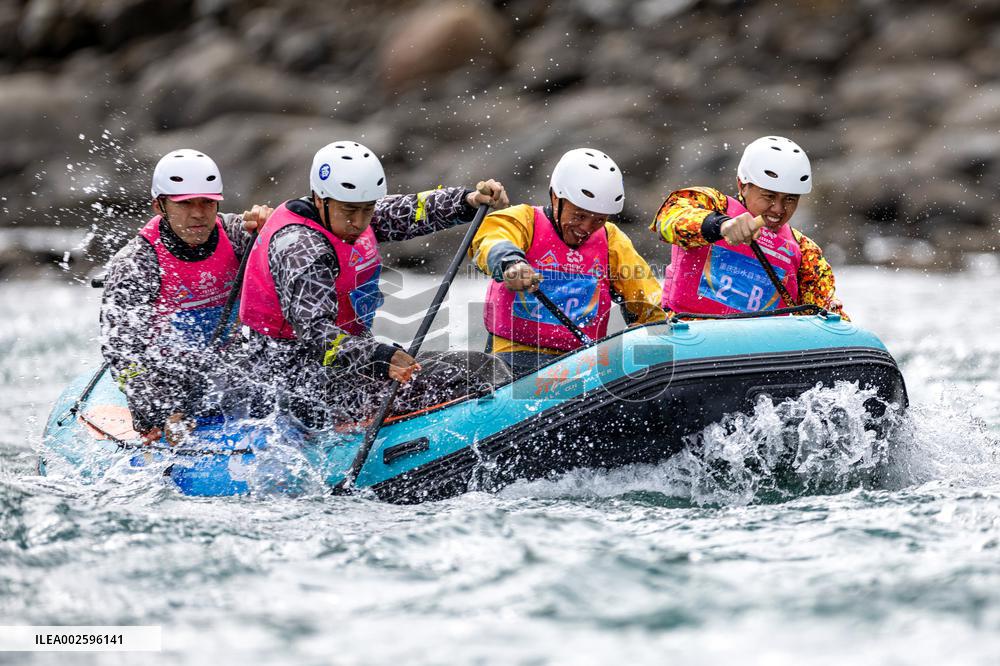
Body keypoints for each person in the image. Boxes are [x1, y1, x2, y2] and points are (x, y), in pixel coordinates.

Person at [237, 140, 512, 428]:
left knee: (479, 365)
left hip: (349, 366)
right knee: (454, 382)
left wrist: (466, 201)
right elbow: (317, 337)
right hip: (298, 384)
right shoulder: (302, 250)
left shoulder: (348, 214)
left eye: (367, 209)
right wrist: (380, 357)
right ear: (320, 199)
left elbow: (410, 211)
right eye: (349, 211)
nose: (358, 222)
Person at [100, 149, 272, 443]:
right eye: (185, 204)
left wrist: (274, 228)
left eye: (207, 202)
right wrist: (157, 412)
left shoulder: (238, 234)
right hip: (167, 381)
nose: (198, 213)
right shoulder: (135, 263)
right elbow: (122, 356)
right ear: (159, 206)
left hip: (231, 368)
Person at [469, 148, 666, 377]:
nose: (586, 228)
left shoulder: (611, 240)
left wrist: (657, 327)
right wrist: (510, 263)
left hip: (582, 363)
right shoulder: (523, 220)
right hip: (513, 357)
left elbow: (646, 295)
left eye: (598, 220)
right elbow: (491, 238)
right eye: (580, 216)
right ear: (556, 197)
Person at [650, 135, 849, 319]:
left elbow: (826, 315)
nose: (778, 209)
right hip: (688, 332)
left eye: (790, 199)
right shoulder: (708, 203)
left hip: (762, 347)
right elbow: (667, 221)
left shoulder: (806, 252)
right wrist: (720, 225)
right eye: (769, 196)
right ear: (742, 186)